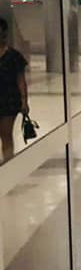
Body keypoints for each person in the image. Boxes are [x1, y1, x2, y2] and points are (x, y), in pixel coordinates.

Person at [0, 18, 29, 163]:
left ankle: (8, 162)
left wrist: (24, 101)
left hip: (9, 101)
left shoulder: (14, 56)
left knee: (5, 133)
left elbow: (21, 80)